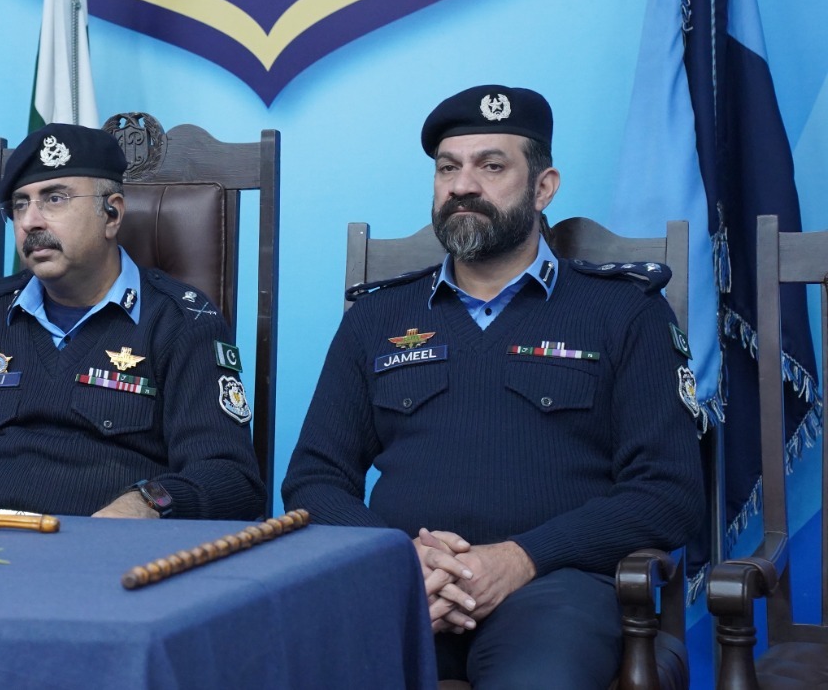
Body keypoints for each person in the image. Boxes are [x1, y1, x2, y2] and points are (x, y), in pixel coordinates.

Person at [282, 85, 702, 689]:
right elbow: (313, 478)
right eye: (447, 168)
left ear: (544, 187)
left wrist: (520, 558)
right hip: (404, 585)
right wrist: (398, 558)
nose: (462, 185)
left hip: (555, 589)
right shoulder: (377, 316)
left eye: (492, 166)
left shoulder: (624, 312)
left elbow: (668, 492)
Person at [0, 123, 265, 519]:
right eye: (20, 205)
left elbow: (231, 478)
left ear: (112, 214)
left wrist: (148, 503)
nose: (30, 221)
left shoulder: (181, 322)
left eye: (54, 199)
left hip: (95, 546)